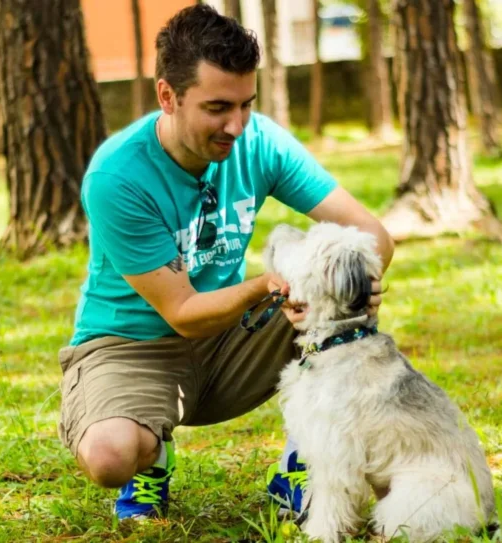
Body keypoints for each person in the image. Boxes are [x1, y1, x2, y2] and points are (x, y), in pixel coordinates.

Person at [56, 4, 394, 520]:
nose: (236, 126)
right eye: (217, 108)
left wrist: (359, 283)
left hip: (232, 337)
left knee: (345, 304)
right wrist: (266, 285)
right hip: (132, 346)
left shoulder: (260, 143)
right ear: (167, 96)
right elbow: (184, 311)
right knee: (109, 456)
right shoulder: (118, 175)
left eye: (246, 105)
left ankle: (303, 467)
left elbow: (371, 233)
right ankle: (153, 458)